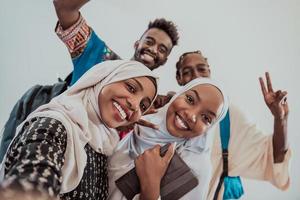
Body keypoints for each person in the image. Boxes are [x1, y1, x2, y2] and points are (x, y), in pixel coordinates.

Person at [0, 60, 160, 200]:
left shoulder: (105, 148)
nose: (135, 105)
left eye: (143, 106)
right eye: (131, 88)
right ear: (103, 78)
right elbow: (33, 176)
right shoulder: (54, 124)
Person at [175, 51, 290, 199]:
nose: (197, 76)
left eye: (202, 69)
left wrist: (280, 119)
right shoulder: (168, 112)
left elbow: (275, 156)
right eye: (187, 72)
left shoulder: (229, 119)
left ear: (209, 72)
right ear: (179, 78)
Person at [108, 78, 229, 200]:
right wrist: (114, 126)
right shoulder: (142, 124)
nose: (191, 115)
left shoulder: (196, 168)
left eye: (206, 118)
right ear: (178, 94)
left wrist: (151, 186)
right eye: (190, 99)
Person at [53, 0, 179, 85]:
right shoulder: (100, 56)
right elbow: (64, 7)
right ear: (136, 44)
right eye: (149, 41)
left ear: (165, 60)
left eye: (162, 49)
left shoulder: (150, 105)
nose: (153, 49)